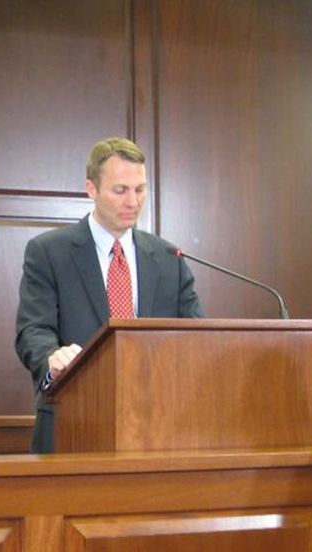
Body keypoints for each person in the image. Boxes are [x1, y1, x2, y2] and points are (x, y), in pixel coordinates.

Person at [15, 137, 204, 453]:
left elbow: (197, 337)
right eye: (121, 190)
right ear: (91, 189)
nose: (133, 201)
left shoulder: (169, 257)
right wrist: (51, 358)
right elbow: (33, 330)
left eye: (140, 189)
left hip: (156, 429)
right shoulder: (49, 252)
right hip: (74, 421)